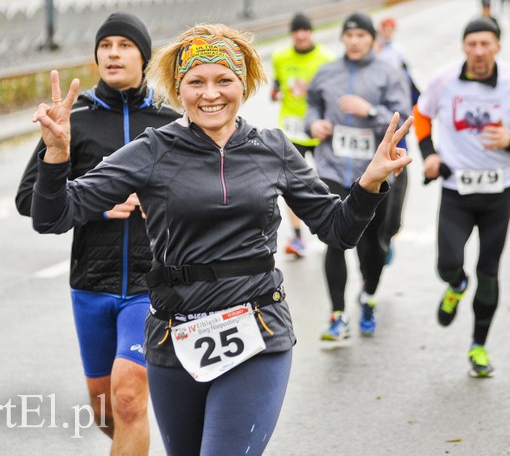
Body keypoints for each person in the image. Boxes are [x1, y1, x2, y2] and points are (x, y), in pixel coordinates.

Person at [28, 23, 413, 455]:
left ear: (243, 85)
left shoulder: (275, 150)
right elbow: (54, 215)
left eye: (223, 80)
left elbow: (338, 230)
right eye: (196, 82)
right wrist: (57, 155)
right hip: (175, 335)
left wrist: (368, 185)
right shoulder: (152, 149)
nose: (210, 94)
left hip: (257, 327)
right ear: (179, 89)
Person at [15, 12, 181, 454]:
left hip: (153, 285)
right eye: (105, 45)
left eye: (125, 45)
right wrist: (95, 205)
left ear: (144, 57)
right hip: (91, 282)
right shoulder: (77, 118)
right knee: (106, 409)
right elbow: (29, 200)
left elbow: (202, 193)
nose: (113, 53)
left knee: (128, 396)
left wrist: (161, 201)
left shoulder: (170, 122)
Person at [413, 17, 510, 378]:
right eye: (472, 44)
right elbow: (421, 115)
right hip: (456, 190)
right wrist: (430, 154)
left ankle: (478, 346)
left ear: (498, 47)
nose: (478, 51)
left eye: (486, 44)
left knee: (489, 271)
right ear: (464, 47)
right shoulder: (444, 80)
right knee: (447, 264)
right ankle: (456, 285)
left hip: (499, 193)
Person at [305, 12, 412, 340]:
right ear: (342, 39)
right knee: (333, 241)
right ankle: (337, 315)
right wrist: (314, 124)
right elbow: (311, 106)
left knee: (372, 244)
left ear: (372, 39)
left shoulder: (389, 73)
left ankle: (368, 294)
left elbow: (404, 116)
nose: (354, 42)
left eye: (361, 36)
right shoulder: (326, 72)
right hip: (333, 169)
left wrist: (370, 111)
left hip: (374, 172)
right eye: (349, 36)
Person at [271, 12, 335, 258]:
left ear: (311, 33)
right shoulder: (279, 56)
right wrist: (276, 92)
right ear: (291, 34)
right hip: (290, 130)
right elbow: (277, 85)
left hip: (319, 130)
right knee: (291, 185)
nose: (300, 35)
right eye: (296, 31)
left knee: (326, 182)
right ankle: (297, 237)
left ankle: (330, 225)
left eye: (305, 30)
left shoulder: (326, 59)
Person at [375, 16, 420, 265]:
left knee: (396, 196)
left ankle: (389, 234)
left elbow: (412, 90)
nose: (388, 32)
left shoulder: (398, 54)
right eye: (385, 28)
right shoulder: (370, 53)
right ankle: (374, 243)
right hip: (373, 135)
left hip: (397, 133)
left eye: (392, 28)